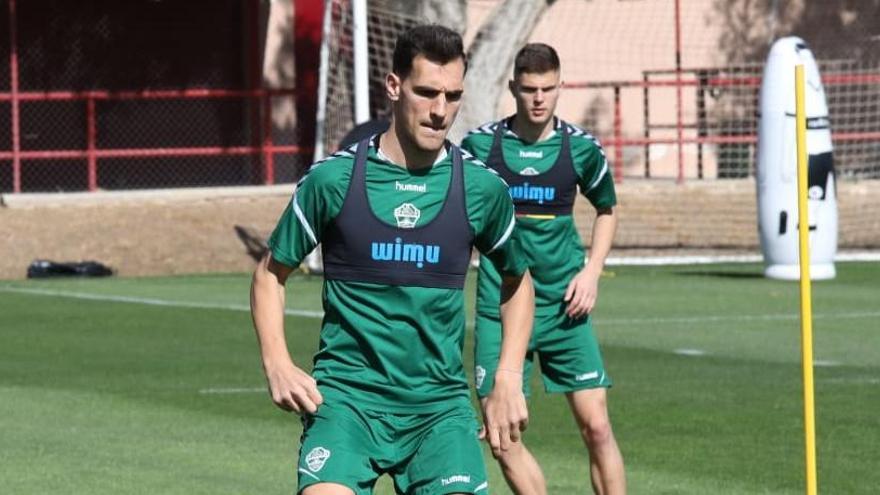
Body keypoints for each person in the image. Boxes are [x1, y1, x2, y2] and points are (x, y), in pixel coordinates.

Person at [250, 25, 535, 495]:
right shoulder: (333, 181)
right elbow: (269, 275)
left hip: (439, 411)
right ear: (394, 86)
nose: (440, 110)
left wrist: (507, 377)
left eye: (452, 95)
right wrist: (277, 362)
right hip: (347, 403)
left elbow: (518, 282)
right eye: (426, 92)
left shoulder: (481, 190)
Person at [460, 43, 625, 495]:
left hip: (563, 308)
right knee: (503, 437)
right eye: (529, 88)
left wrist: (591, 272)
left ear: (560, 88)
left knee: (597, 427)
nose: (538, 98)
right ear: (513, 86)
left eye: (547, 89)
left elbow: (607, 209)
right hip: (500, 312)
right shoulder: (479, 148)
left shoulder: (581, 150)